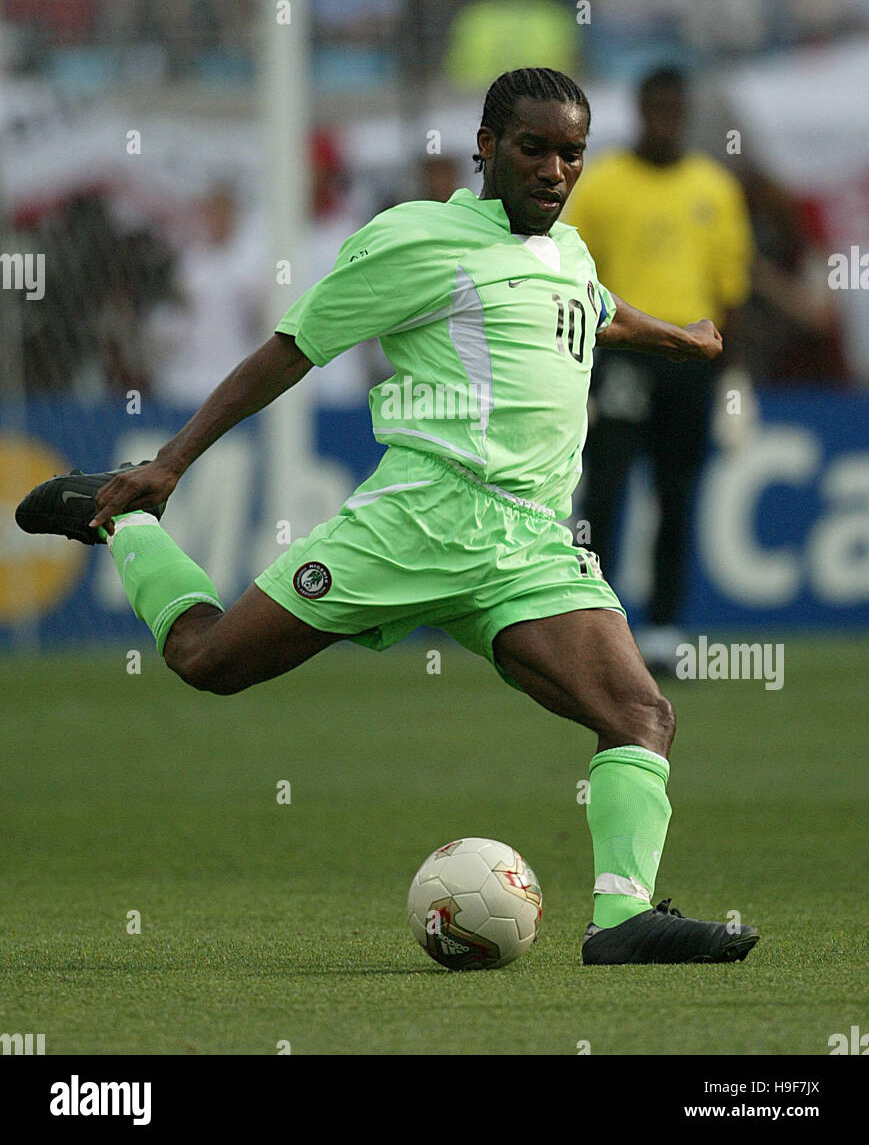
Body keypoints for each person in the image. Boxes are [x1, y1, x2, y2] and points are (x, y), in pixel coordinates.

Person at [16, 68, 758, 967]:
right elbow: (291, 348)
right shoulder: (416, 239)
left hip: (527, 542)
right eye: (534, 148)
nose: (555, 171)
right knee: (207, 661)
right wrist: (170, 464)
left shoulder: (569, 253)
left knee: (641, 717)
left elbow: (589, 311)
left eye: (571, 153)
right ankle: (119, 523)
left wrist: (674, 336)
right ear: (486, 147)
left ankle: (620, 920)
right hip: (418, 521)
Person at [562, 67, 753, 675]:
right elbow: (571, 273)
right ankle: (596, 624)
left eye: (676, 107)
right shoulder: (604, 184)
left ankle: (666, 629)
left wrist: (731, 374)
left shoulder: (715, 188)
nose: (666, 118)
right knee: (607, 490)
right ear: (640, 108)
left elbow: (730, 292)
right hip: (623, 350)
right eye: (657, 106)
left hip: (691, 361)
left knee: (677, 490)